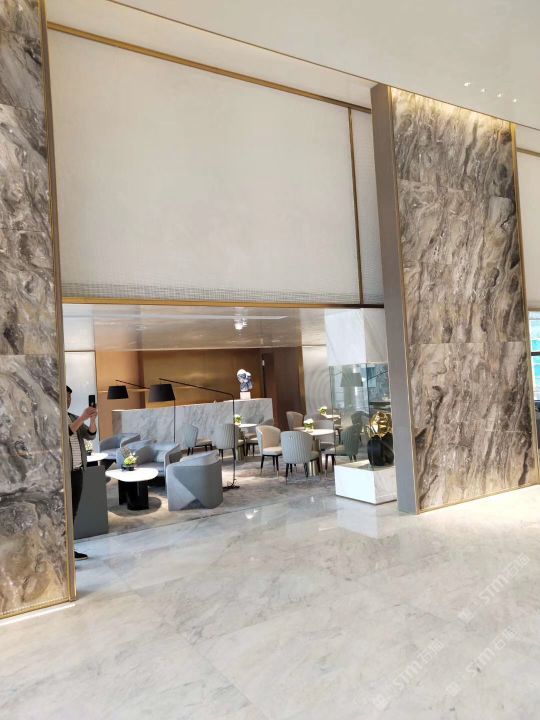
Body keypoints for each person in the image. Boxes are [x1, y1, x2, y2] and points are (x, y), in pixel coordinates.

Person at [66, 386, 98, 560]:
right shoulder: (53, 418)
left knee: (73, 512)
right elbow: (65, 433)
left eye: (70, 397)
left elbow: (90, 435)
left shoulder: (72, 417)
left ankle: (69, 550)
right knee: (64, 514)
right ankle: (64, 551)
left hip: (78, 471)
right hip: (64, 474)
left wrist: (92, 420)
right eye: (65, 396)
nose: (68, 400)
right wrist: (83, 417)